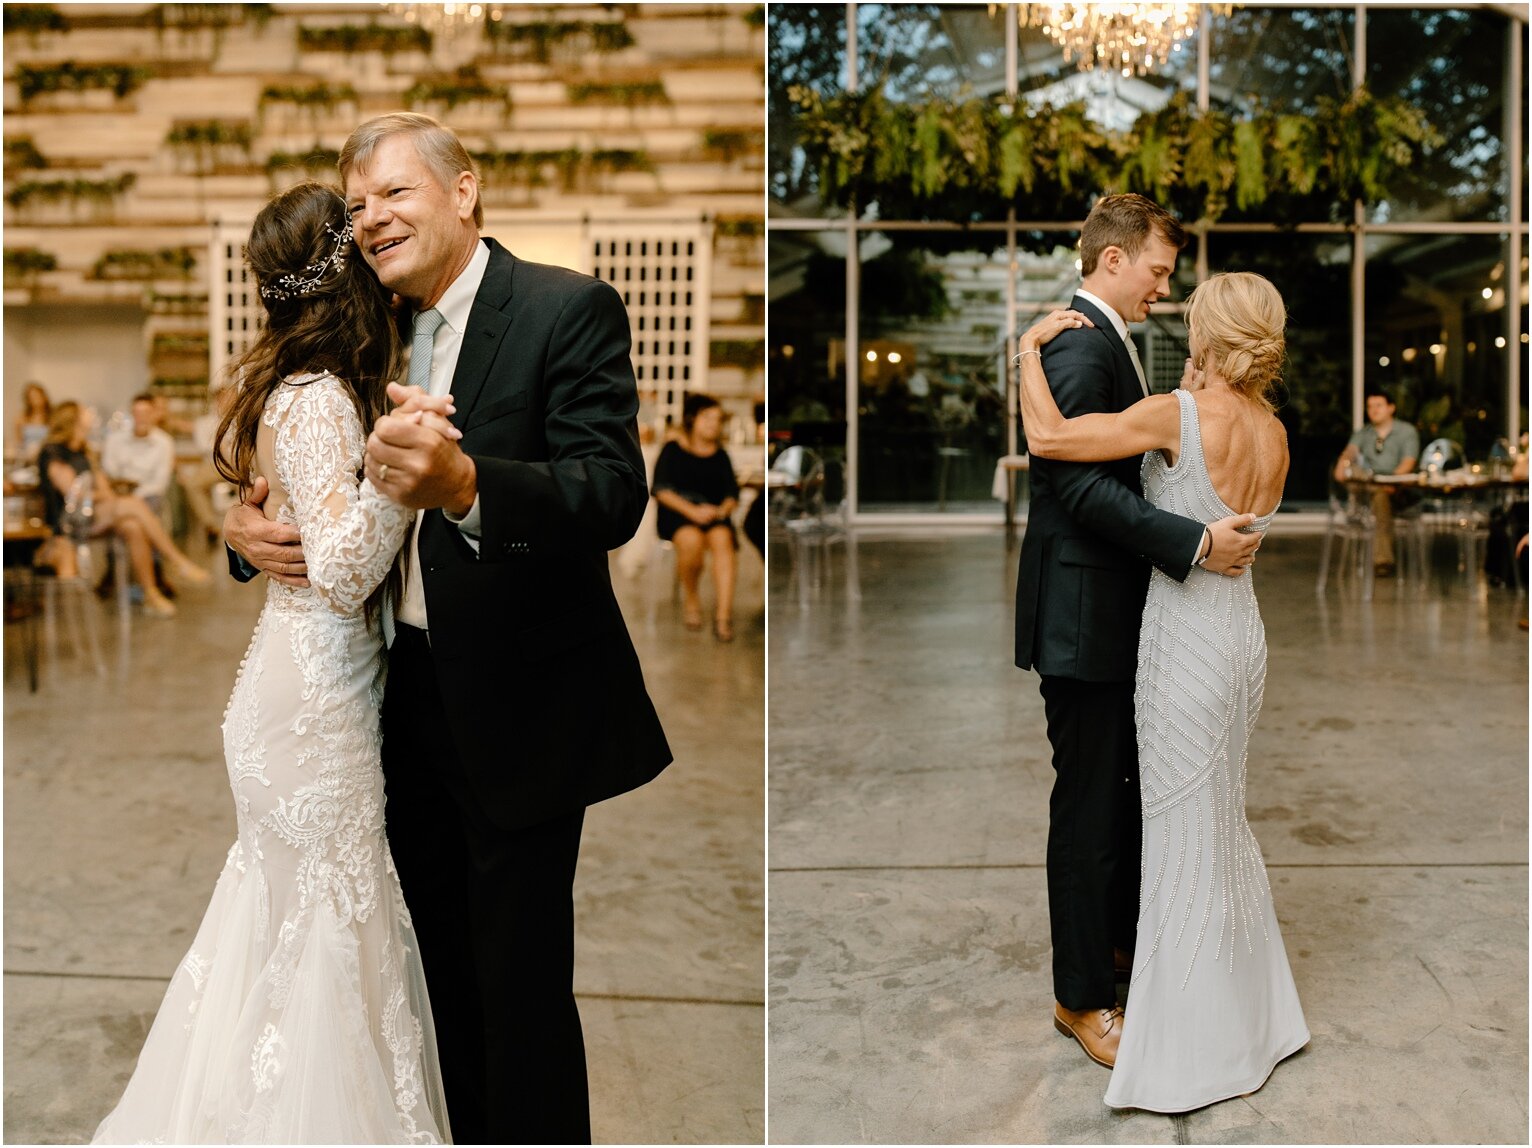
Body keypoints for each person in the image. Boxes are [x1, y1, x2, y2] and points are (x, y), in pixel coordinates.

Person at [225, 112, 672, 1145]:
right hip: (391, 706)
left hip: (520, 705)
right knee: (421, 980)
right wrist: (244, 531)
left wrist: (468, 483)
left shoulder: (567, 307)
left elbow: (609, 493)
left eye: (393, 192)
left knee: (516, 992)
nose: (372, 216)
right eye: (358, 204)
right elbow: (305, 481)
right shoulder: (362, 330)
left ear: (462, 190)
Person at [1019, 271, 1309, 1112]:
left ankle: (1192, 1034)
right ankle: (1255, 1012)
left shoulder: (1178, 417)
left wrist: (1027, 353)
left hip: (1183, 648)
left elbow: (1051, 439)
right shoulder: (1273, 430)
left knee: (1180, 827)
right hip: (1242, 644)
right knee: (1218, 816)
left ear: (1210, 336)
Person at [36, 401, 207, 619]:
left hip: (92, 514)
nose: (89, 414)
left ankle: (151, 594)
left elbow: (103, 489)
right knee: (133, 504)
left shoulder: (83, 450)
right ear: (73, 419)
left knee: (132, 526)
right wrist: (102, 497)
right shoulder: (53, 452)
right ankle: (176, 560)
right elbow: (73, 493)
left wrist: (104, 497)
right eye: (84, 412)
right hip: (69, 522)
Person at [652, 391, 741, 640]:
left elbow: (731, 494)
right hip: (679, 516)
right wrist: (692, 511)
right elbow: (660, 490)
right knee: (691, 541)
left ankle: (723, 616)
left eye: (718, 418)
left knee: (724, 542)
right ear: (692, 419)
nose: (714, 423)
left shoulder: (720, 455)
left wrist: (720, 510)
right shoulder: (673, 450)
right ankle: (692, 599)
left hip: (713, 518)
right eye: (707, 417)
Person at [1332, 389, 1419, 577]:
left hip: (1398, 489)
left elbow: (1408, 464)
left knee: (1381, 494)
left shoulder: (1406, 431)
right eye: (1370, 406)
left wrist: (1390, 481)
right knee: (1373, 487)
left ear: (1391, 408)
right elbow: (1349, 454)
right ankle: (1383, 561)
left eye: (1378, 405)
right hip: (1370, 487)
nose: (1373, 410)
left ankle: (1383, 560)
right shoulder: (1363, 433)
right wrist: (1343, 463)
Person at [102, 392, 175, 509]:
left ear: (154, 414)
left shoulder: (164, 443)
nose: (141, 418)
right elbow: (109, 471)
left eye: (146, 413)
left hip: (148, 497)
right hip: (118, 493)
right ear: (131, 414)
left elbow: (160, 483)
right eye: (137, 413)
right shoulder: (114, 440)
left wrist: (134, 497)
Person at [14, 381, 51, 462]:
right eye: (32, 397)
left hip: (47, 456)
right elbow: (18, 443)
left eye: (38, 396)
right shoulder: (21, 418)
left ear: (44, 396)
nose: (35, 400)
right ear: (28, 400)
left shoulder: (52, 417)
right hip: (27, 458)